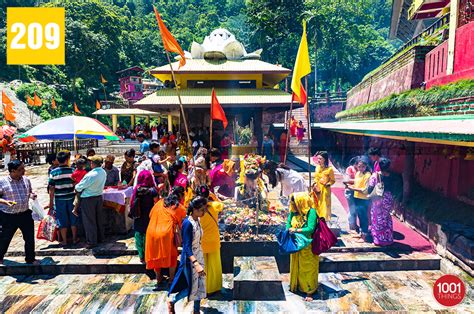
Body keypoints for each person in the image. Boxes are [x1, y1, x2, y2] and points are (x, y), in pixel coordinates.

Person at [168, 196, 208, 314]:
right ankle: (172, 301)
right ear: (195, 209)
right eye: (202, 209)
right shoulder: (187, 223)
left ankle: (196, 310)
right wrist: (196, 264)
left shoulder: (197, 220)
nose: (204, 212)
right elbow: (186, 246)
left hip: (198, 256)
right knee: (192, 286)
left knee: (199, 285)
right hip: (190, 260)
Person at [0, 160, 38, 265]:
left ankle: (30, 258)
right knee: (4, 238)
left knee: (29, 237)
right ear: (13, 171)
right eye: (20, 169)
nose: (24, 171)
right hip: (8, 215)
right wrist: (5, 202)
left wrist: (32, 195)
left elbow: (29, 192)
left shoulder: (26, 180)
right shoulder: (2, 182)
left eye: (23, 168)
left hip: (25, 213)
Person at [145, 192, 186, 286]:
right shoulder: (177, 206)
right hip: (166, 233)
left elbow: (150, 215)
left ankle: (159, 278)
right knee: (172, 255)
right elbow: (183, 218)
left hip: (151, 232)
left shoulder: (159, 203)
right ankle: (171, 279)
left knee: (155, 256)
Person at [287, 192, 319, 301]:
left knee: (308, 268)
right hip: (296, 245)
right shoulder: (293, 212)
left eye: (295, 203)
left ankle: (309, 291)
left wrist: (296, 230)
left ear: (301, 202)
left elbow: (310, 229)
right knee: (296, 266)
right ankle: (296, 285)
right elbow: (288, 224)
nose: (293, 205)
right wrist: (289, 230)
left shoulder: (311, 212)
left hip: (308, 246)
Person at [195, 185, 223, 295]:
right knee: (214, 265)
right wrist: (212, 195)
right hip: (214, 241)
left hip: (201, 241)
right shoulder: (214, 206)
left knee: (203, 266)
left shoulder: (195, 210)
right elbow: (222, 204)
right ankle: (214, 288)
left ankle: (203, 288)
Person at [368, 158, 402, 246]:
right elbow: (394, 188)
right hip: (388, 198)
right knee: (386, 218)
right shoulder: (392, 176)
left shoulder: (375, 176)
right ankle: (388, 239)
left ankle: (378, 240)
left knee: (377, 219)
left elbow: (370, 188)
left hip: (378, 199)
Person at [75, 155, 107, 248]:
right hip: (98, 197)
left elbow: (79, 187)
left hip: (88, 199)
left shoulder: (90, 175)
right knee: (98, 219)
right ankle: (101, 238)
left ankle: (91, 241)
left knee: (89, 221)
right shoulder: (103, 172)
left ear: (92, 163)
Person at [48, 151, 78, 246]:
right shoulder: (72, 170)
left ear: (58, 160)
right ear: (67, 160)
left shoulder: (53, 172)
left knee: (61, 220)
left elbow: (51, 189)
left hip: (59, 199)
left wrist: (51, 203)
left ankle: (64, 240)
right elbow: (76, 185)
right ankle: (74, 238)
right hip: (71, 198)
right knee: (74, 218)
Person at [129, 171, 158, 263]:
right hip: (149, 216)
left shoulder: (136, 190)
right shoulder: (152, 191)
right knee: (147, 235)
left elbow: (132, 202)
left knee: (138, 235)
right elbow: (157, 203)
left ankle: (141, 255)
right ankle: (148, 254)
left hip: (138, 216)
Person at [347, 156, 372, 242]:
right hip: (356, 197)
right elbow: (357, 183)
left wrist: (353, 188)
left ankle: (364, 236)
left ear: (366, 166)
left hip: (363, 199)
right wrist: (351, 185)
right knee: (359, 216)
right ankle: (361, 233)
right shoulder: (358, 173)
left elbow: (365, 190)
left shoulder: (368, 175)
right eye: (359, 166)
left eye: (363, 166)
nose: (361, 168)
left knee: (364, 217)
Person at [312, 151, 335, 220]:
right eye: (318, 159)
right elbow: (315, 177)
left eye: (320, 159)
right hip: (317, 188)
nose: (318, 160)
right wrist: (314, 184)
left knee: (324, 206)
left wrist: (327, 184)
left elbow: (333, 180)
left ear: (325, 159)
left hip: (325, 190)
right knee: (315, 204)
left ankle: (324, 221)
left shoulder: (329, 169)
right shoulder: (317, 167)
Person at [343, 156, 359, 234]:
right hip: (350, 191)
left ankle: (354, 224)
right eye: (358, 164)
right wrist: (359, 180)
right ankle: (352, 225)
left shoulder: (361, 169)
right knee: (352, 209)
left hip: (357, 191)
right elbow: (346, 180)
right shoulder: (350, 169)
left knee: (356, 209)